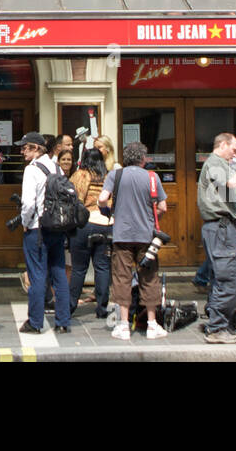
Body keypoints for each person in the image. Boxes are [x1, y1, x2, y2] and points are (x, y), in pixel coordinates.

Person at [99, 140, 169, 340]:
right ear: (143, 159)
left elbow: (103, 199)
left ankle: (123, 324)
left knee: (122, 277)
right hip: (147, 236)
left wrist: (108, 210)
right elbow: (162, 207)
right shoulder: (152, 177)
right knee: (149, 277)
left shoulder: (115, 174)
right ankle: (152, 324)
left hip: (122, 235)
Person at [198, 132, 236, 343]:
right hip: (220, 230)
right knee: (227, 279)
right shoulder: (215, 163)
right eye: (233, 150)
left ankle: (219, 324)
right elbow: (230, 184)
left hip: (223, 227)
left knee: (221, 278)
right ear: (222, 145)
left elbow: (225, 197)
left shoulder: (220, 164)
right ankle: (217, 329)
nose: (234, 155)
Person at [19, 131, 71, 334]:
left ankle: (35, 321)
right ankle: (63, 321)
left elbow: (28, 202)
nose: (22, 151)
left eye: (25, 147)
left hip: (37, 228)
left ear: (36, 148)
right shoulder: (56, 167)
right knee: (58, 272)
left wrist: (24, 222)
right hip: (57, 227)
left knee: (37, 274)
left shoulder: (31, 170)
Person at [68, 141, 112, 319]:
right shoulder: (109, 176)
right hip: (106, 224)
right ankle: (102, 309)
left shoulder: (81, 175)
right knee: (102, 267)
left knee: (79, 268)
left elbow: (75, 199)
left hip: (85, 224)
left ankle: (70, 306)